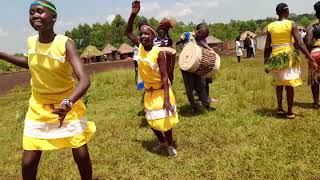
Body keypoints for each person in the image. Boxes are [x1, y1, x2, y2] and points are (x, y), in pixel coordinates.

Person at [0, 1, 96, 179]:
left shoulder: (65, 43)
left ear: (53, 18)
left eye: (40, 12)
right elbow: (29, 62)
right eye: (31, 12)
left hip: (67, 106)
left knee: (81, 155)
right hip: (38, 107)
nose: (35, 15)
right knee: (28, 162)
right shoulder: (31, 42)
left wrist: (68, 103)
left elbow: (84, 80)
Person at [125, 0, 179, 157]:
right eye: (141, 34)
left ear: (153, 36)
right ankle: (161, 142)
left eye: (146, 34)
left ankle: (169, 145)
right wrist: (133, 14)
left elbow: (164, 77)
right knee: (151, 120)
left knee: (165, 121)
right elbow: (128, 32)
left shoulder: (158, 53)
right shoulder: (140, 47)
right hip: (148, 92)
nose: (142, 36)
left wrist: (167, 99)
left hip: (162, 90)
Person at [264, 3, 318, 118]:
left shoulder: (270, 26)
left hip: (275, 58)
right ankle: (289, 111)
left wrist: (266, 61)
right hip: (288, 58)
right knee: (289, 84)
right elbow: (299, 43)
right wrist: (310, 57)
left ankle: (279, 108)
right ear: (286, 11)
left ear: (277, 12)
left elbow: (267, 46)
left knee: (279, 84)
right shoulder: (291, 24)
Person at [177, 23, 215, 114]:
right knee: (189, 87)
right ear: (198, 31)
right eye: (202, 34)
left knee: (201, 85)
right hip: (186, 64)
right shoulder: (188, 35)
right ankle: (193, 106)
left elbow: (205, 47)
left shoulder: (202, 40)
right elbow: (179, 41)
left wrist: (211, 51)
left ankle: (206, 105)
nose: (202, 36)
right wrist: (179, 42)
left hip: (198, 66)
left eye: (204, 35)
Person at [306, 1, 320, 108]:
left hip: (315, 53)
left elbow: (308, 43)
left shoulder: (311, 28)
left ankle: (316, 102)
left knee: (315, 77)